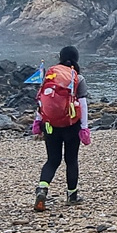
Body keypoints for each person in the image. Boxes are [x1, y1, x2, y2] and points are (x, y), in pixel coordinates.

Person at [32, 45, 92, 211]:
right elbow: (83, 105)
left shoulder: (50, 76)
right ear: (76, 59)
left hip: (50, 125)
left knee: (52, 160)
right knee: (71, 160)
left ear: (60, 58)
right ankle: (72, 196)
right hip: (71, 125)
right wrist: (84, 128)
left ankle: (42, 189)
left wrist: (38, 122)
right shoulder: (78, 78)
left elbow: (42, 100)